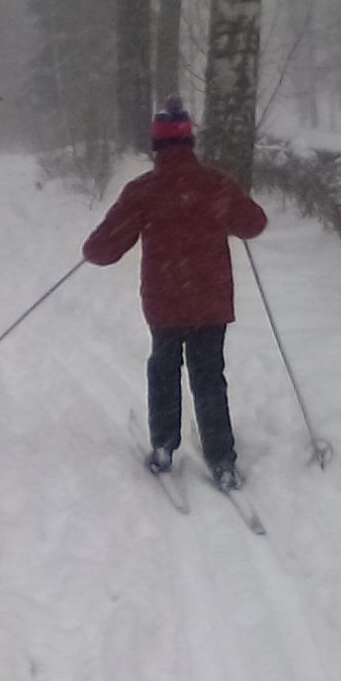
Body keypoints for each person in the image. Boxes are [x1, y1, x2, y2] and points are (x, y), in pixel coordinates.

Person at [82, 97, 267, 491]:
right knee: (209, 375)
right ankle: (222, 458)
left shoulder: (145, 190)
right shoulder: (214, 183)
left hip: (165, 299)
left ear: (156, 146)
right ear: (190, 142)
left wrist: (94, 249)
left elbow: (103, 249)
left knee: (164, 369)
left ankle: (164, 446)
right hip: (210, 299)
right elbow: (254, 224)